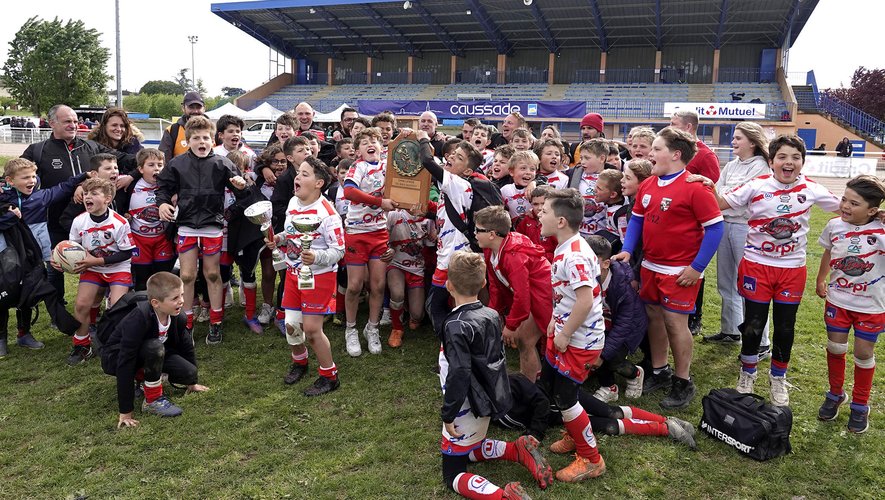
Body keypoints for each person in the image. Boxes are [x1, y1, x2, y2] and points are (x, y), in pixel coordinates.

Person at [691, 135, 839, 406]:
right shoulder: (757, 185)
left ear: (803, 162)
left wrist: (876, 213)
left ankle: (778, 377)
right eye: (782, 157)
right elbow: (722, 204)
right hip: (757, 266)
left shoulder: (812, 188)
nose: (789, 162)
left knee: (785, 325)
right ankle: (747, 372)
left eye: (795, 157)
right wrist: (708, 186)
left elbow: (847, 208)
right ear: (771, 161)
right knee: (754, 323)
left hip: (792, 270)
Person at [612, 127, 724, 410]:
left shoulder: (696, 187)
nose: (651, 153)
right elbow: (637, 219)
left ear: (675, 155)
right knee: (654, 318)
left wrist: (696, 268)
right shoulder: (649, 184)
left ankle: (683, 380)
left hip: (679, 272)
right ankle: (660, 370)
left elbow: (715, 229)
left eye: (657, 149)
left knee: (676, 324)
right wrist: (627, 248)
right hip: (650, 266)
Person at [439, 251, 553, 500]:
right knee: (471, 447)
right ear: (483, 284)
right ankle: (517, 450)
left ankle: (503, 495)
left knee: (453, 472)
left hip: (466, 402)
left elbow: (459, 372)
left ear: (448, 285)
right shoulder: (491, 315)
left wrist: (448, 413)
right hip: (490, 399)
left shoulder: (454, 324)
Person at [21, 104, 137, 300]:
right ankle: (57, 306)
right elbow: (18, 174)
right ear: (52, 123)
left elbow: (128, 160)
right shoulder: (38, 150)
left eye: (75, 121)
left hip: (93, 221)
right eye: (67, 121)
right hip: (57, 220)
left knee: (96, 261)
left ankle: (103, 299)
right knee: (55, 266)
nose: (73, 125)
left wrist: (132, 176)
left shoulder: (91, 147)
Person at [156, 116, 248, 345]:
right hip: (186, 225)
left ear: (212, 139)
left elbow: (244, 192)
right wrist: (163, 204)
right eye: (196, 138)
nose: (201, 141)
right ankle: (186, 322)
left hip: (212, 226)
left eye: (205, 137)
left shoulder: (222, 163)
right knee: (186, 275)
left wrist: (241, 187)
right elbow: (163, 188)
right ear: (188, 141)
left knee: (212, 274)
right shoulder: (177, 164)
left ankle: (216, 322)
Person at [537, 188, 606, 482]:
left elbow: (585, 300)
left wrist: (565, 332)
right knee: (556, 387)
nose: (538, 214)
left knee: (566, 398)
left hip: (579, 339)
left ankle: (591, 459)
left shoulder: (574, 256)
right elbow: (565, 294)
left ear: (561, 220)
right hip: (566, 331)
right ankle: (573, 434)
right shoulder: (565, 246)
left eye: (544, 211)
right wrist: (555, 319)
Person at [267, 156, 344, 396]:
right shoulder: (292, 202)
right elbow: (291, 233)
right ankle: (300, 362)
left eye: (304, 174)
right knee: (291, 325)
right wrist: (279, 238)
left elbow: (339, 250)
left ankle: (329, 376)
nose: (297, 177)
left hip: (318, 277)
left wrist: (317, 258)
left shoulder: (328, 213)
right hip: (292, 273)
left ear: (319, 183)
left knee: (311, 330)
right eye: (298, 172)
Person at [815, 175, 885, 433]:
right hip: (838, 300)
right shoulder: (834, 226)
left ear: (873, 210)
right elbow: (828, 252)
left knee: (863, 354)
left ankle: (860, 404)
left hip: (871, 305)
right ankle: (835, 394)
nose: (845, 206)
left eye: (854, 203)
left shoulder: (881, 231)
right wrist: (821, 278)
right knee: (835, 347)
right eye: (844, 199)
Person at [0, 158, 90, 351]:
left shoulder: (41, 197)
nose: (31, 180)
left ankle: (24, 333)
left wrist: (83, 176)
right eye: (25, 177)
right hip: (7, 256)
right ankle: (1, 339)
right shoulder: (3, 198)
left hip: (31, 256)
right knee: (4, 294)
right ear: (9, 180)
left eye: (33, 176)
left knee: (28, 292)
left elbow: (63, 187)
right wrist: (9, 215)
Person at [101, 272, 208, 426]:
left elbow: (187, 347)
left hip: (153, 352)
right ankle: (152, 399)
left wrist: (192, 382)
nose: (181, 301)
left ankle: (146, 377)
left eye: (182, 295)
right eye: (175, 298)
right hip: (117, 357)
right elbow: (125, 361)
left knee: (188, 372)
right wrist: (125, 413)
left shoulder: (177, 316)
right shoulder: (138, 318)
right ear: (156, 303)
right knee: (154, 347)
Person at [494, 373, 696, 448]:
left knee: (610, 412)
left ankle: (665, 418)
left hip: (563, 395)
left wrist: (535, 433)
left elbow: (541, 402)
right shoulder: (485, 410)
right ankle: (665, 428)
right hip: (560, 418)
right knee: (607, 426)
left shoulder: (509, 382)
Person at [703, 122, 771, 347]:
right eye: (734, 137)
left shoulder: (761, 166)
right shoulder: (731, 165)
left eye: (738, 138)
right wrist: (725, 198)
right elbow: (718, 193)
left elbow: (742, 196)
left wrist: (726, 198)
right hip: (725, 223)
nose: (733, 141)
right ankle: (730, 329)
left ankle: (759, 341)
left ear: (752, 142)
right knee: (726, 280)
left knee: (750, 284)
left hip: (746, 227)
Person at [57, 177, 135, 366]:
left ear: (108, 199)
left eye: (94, 194)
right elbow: (72, 249)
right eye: (85, 194)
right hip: (93, 269)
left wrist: (97, 260)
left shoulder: (119, 222)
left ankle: (116, 344)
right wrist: (61, 260)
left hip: (117, 268)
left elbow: (126, 252)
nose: (87, 197)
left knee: (117, 307)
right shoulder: (79, 221)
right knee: (82, 304)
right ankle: (82, 345)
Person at [474, 206, 552, 380]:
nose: (474, 234)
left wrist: (510, 325)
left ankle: (529, 386)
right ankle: (534, 380)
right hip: (533, 297)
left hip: (543, 298)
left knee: (526, 340)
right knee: (525, 341)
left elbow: (522, 296)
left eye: (478, 230)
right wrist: (493, 315)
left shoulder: (513, 256)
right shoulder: (491, 250)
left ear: (492, 234)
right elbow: (495, 287)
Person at [342, 127, 397, 356]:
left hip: (379, 232)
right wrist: (378, 202)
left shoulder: (388, 167)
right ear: (357, 151)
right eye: (364, 142)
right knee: (354, 285)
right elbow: (349, 192)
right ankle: (351, 329)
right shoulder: (358, 167)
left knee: (378, 285)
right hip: (356, 232)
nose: (370, 144)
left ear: (382, 147)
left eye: (374, 140)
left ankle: (372, 328)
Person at [669, 110, 721, 336]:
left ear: (688, 127)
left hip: (693, 224)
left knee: (694, 269)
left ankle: (695, 316)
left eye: (674, 124)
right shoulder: (672, 151)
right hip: (671, 219)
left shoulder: (706, 155)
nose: (669, 127)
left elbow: (711, 188)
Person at [586, 236, 646, 402]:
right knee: (591, 350)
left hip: (628, 328)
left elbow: (623, 325)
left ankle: (635, 373)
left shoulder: (623, 287)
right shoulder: (584, 279)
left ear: (605, 264)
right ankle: (609, 386)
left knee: (609, 357)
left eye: (590, 261)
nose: (584, 265)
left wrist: (603, 354)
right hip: (603, 325)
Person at [386, 207, 436, 348]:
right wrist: (387, 249)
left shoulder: (428, 219)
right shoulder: (394, 214)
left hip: (417, 268)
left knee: (417, 316)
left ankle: (408, 308)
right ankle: (397, 328)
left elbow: (430, 249)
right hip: (396, 263)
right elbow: (382, 237)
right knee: (397, 293)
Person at [128, 149, 175, 291]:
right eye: (151, 165)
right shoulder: (131, 185)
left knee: (163, 278)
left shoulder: (168, 186)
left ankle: (161, 309)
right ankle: (142, 309)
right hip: (139, 239)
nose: (157, 168)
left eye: (160, 165)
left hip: (162, 239)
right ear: (140, 169)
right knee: (142, 279)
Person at [514, 185, 557, 263]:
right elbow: (518, 243)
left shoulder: (557, 223)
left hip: (550, 266)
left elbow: (561, 250)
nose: (539, 208)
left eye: (543, 203)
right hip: (529, 264)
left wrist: (542, 258)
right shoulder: (525, 220)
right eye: (535, 204)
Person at [159, 92, 206, 160]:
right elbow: (163, 160)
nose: (195, 111)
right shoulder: (172, 131)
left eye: (198, 107)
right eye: (191, 107)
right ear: (183, 108)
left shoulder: (215, 130)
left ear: (204, 108)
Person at [501, 151, 538, 225]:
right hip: (515, 232)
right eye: (523, 168)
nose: (528, 172)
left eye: (532, 169)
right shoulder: (505, 190)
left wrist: (534, 183)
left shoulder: (537, 188)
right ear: (511, 171)